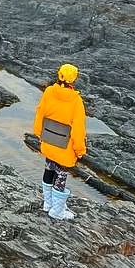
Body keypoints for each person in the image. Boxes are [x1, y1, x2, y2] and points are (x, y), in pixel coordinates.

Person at [33, 63, 87, 221]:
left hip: (48, 141)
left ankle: (47, 204)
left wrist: (39, 134)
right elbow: (78, 130)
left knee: (49, 169)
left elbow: (40, 113)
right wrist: (80, 150)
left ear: (59, 75)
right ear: (74, 79)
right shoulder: (76, 101)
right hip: (65, 147)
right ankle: (57, 211)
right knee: (61, 176)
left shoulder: (49, 91)